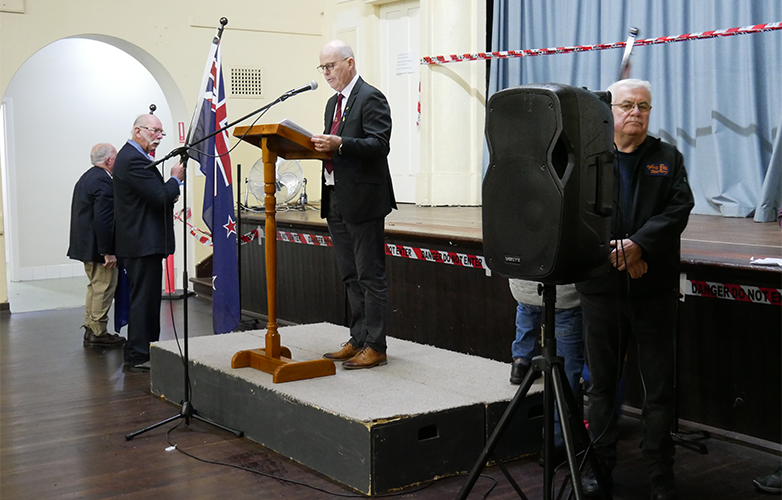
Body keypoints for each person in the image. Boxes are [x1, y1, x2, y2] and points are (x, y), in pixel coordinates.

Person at [576, 79, 694, 500]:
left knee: (659, 389)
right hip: (602, 289)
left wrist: (639, 245)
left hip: (653, 289)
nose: (637, 113)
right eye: (628, 105)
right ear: (610, 111)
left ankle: (661, 473)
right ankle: (599, 468)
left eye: (644, 106)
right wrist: (623, 253)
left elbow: (678, 209)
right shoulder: (589, 158)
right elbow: (579, 213)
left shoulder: (667, 158)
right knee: (602, 386)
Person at [312, 40, 396, 370]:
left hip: (363, 201)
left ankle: (376, 344)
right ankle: (358, 337)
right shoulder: (333, 103)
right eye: (322, 68)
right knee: (349, 274)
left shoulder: (370, 97)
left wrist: (340, 144)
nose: (326, 73)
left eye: (330, 66)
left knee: (369, 275)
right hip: (335, 198)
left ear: (349, 62)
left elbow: (379, 144)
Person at [113, 113, 184, 373]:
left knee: (145, 299)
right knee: (144, 300)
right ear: (137, 131)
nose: (158, 137)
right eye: (154, 131)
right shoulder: (133, 160)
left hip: (140, 241)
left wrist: (167, 192)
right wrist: (175, 178)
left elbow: (153, 196)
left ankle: (140, 349)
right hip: (141, 243)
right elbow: (158, 197)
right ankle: (141, 353)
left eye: (161, 133)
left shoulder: (134, 157)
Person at [508, 279, 583, 464]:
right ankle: (555, 443)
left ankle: (521, 361)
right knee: (565, 371)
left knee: (526, 310)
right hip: (564, 295)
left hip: (523, 286)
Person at [67, 143, 125, 347]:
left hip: (85, 246)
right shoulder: (103, 182)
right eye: (116, 157)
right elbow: (104, 220)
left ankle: (90, 327)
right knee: (104, 287)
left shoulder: (86, 178)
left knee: (94, 287)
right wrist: (108, 252)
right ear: (109, 160)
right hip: (99, 248)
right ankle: (99, 333)